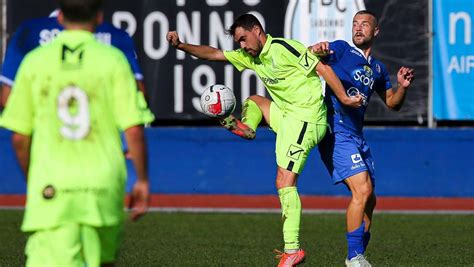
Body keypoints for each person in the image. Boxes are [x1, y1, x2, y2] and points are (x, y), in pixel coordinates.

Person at [167, 14, 362, 266]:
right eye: (238, 42)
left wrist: (345, 99)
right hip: (287, 115)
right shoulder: (252, 57)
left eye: (243, 39)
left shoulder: (283, 48)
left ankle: (292, 250)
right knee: (254, 101)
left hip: (307, 119)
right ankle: (247, 128)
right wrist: (182, 46)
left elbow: (322, 68)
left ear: (257, 30)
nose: (241, 45)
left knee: (284, 181)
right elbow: (214, 54)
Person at [0, 0, 153, 265]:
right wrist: (141, 180)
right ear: (99, 17)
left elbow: (19, 137)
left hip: (52, 187)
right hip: (103, 187)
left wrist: (33, 177)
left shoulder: (35, 61)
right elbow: (134, 129)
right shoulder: (113, 59)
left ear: (59, 17)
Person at [310, 10, 414, 267]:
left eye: (364, 24)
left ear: (375, 31)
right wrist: (319, 48)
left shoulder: (378, 68)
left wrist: (402, 87)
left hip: (357, 137)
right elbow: (316, 53)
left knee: (370, 199)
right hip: (337, 132)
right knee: (362, 189)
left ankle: (358, 254)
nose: (358, 28)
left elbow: (392, 104)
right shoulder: (342, 50)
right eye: (355, 24)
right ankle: (354, 256)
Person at [0, 8, 150, 116]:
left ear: (60, 16)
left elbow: (8, 98)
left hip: (43, 144)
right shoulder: (117, 37)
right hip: (102, 144)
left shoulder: (28, 33)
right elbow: (138, 95)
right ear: (99, 16)